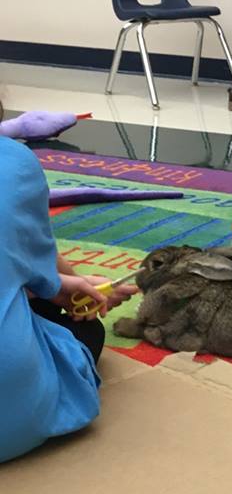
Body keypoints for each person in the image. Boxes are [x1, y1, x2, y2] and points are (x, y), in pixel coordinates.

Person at [0, 127, 136, 463]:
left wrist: (59, 284)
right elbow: (27, 249)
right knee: (85, 331)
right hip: (11, 420)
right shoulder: (12, 161)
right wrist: (69, 286)